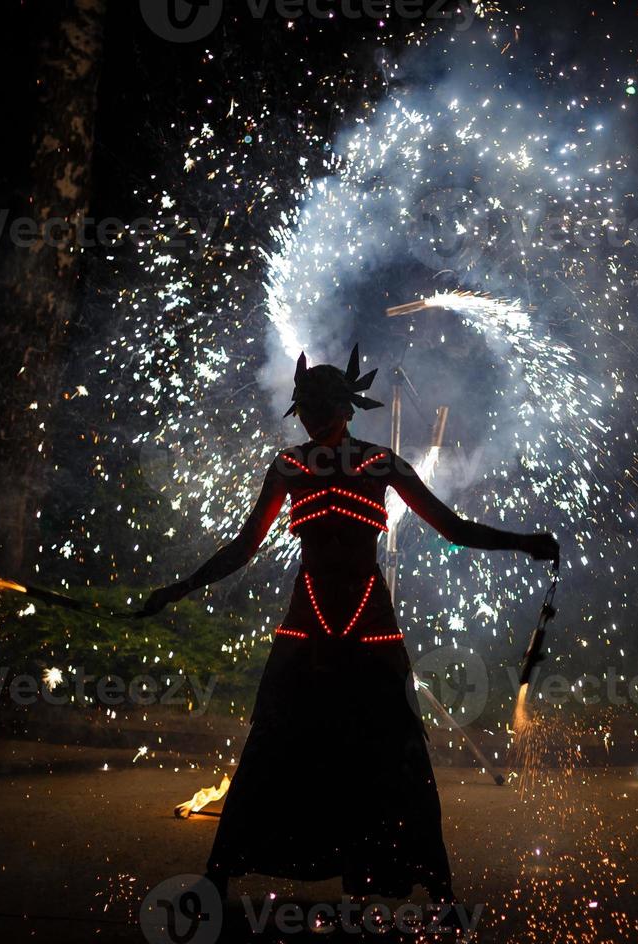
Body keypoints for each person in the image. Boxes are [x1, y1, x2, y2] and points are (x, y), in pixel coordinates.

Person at [140, 347, 558, 903]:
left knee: (396, 752)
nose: (314, 417)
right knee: (272, 745)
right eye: (306, 407)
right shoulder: (288, 467)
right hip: (307, 627)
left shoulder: (381, 464)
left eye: (324, 406)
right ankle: (220, 878)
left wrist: (522, 542)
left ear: (347, 407)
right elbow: (244, 547)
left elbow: (451, 527)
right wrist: (177, 590)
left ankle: (435, 890)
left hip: (369, 629)